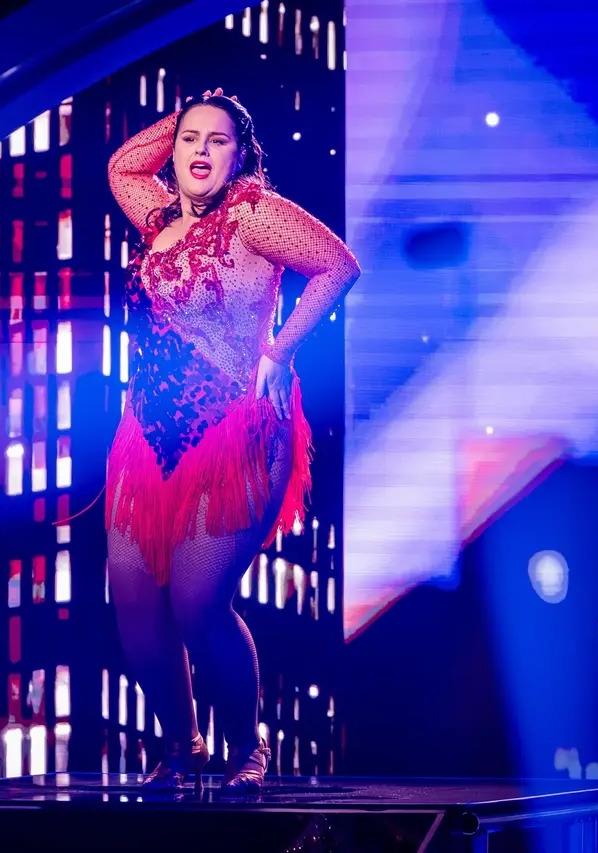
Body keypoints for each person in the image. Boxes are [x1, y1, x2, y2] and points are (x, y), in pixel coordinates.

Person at [105, 88, 361, 796]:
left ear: (241, 154)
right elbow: (123, 166)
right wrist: (191, 112)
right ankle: (180, 745)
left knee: (196, 600)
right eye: (190, 140)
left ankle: (247, 746)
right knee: (134, 602)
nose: (199, 152)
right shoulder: (159, 215)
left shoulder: (253, 212)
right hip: (147, 436)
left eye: (217, 141)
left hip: (234, 432)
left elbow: (339, 265)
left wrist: (280, 350)